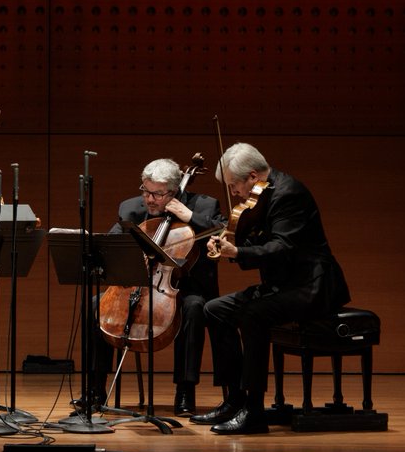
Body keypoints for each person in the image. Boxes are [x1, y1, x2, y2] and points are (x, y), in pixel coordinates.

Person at [194, 142, 350, 434]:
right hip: (283, 284)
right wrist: (231, 245)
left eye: (233, 185)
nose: (233, 194)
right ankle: (234, 400)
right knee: (214, 310)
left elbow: (282, 247)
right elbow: (260, 241)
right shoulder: (260, 195)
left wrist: (238, 252)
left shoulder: (289, 194)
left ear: (252, 176)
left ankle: (253, 412)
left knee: (253, 314)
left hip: (311, 286)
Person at [86, 158, 227, 417]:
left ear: (174, 192)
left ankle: (185, 390)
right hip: (140, 286)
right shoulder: (131, 209)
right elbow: (110, 244)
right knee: (96, 304)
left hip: (185, 287)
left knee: (194, 308)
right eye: (145, 191)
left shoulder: (204, 206)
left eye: (158, 194)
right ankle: (94, 390)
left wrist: (189, 217)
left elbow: (225, 231)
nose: (149, 200)